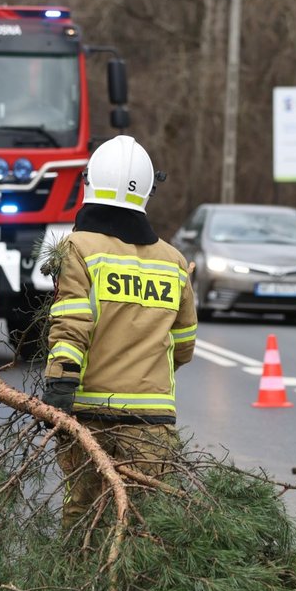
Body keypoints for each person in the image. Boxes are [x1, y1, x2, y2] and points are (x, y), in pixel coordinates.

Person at [42, 135, 198, 527]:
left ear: (89, 181)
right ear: (148, 191)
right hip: (151, 418)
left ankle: (77, 583)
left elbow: (71, 323)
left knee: (83, 512)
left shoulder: (77, 248)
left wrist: (59, 386)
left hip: (89, 413)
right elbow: (183, 346)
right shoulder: (174, 261)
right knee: (145, 522)